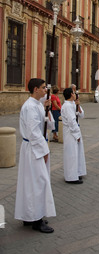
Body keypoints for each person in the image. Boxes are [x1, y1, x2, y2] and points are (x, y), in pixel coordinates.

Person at [14, 78, 56, 233]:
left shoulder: (37, 105)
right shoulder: (30, 107)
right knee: (38, 182)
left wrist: (47, 109)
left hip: (33, 147)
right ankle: (36, 220)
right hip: (33, 148)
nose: (45, 90)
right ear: (36, 89)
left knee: (31, 183)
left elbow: (48, 125)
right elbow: (33, 132)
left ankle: (29, 215)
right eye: (44, 88)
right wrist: (44, 150)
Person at [61, 87, 86, 184]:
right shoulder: (66, 106)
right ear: (71, 94)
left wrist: (78, 106)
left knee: (77, 153)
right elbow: (71, 121)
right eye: (74, 93)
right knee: (71, 153)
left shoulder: (73, 104)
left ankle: (77, 172)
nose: (75, 94)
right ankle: (71, 176)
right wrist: (77, 135)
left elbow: (82, 115)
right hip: (70, 132)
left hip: (75, 130)